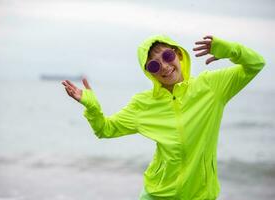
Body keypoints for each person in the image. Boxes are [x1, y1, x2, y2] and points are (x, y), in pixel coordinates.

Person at [62, 35, 265, 200]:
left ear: (178, 55)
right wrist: (91, 106)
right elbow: (104, 129)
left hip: (201, 195)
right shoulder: (143, 104)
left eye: (167, 56)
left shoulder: (211, 86)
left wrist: (229, 50)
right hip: (157, 194)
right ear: (149, 73)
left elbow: (256, 64)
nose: (164, 66)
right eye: (154, 66)